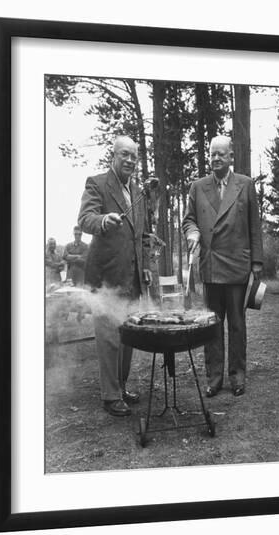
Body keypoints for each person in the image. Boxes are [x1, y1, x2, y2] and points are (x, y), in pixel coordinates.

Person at [183, 136, 263, 398]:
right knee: (212, 325)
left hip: (237, 267)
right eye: (212, 154)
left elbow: (254, 226)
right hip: (211, 267)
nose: (216, 158)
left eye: (221, 154)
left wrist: (257, 263)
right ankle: (214, 377)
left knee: (237, 325)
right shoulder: (198, 186)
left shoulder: (245, 184)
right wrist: (192, 233)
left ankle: (237, 375)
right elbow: (189, 221)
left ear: (231, 157)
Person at [78, 136, 152, 416]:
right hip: (106, 278)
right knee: (109, 337)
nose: (131, 161)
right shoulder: (96, 183)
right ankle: (110, 397)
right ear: (114, 156)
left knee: (127, 336)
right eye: (125, 155)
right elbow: (85, 219)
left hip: (131, 277)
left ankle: (120, 387)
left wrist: (145, 265)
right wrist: (102, 220)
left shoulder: (137, 191)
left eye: (134, 156)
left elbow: (141, 235)